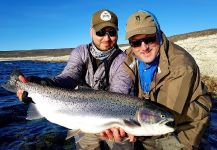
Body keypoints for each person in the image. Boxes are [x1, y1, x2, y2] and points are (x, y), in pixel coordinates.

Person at [16, 9, 134, 150]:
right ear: (91, 31)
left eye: (112, 32)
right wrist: (44, 84)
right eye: (101, 32)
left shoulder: (124, 60)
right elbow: (69, 77)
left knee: (124, 145)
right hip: (81, 118)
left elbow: (119, 93)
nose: (107, 38)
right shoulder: (80, 52)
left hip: (113, 121)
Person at [101, 10, 212, 149]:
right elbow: (120, 89)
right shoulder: (129, 57)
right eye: (135, 42)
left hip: (182, 128)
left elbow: (167, 115)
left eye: (149, 39)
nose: (144, 47)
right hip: (148, 121)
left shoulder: (181, 66)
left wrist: (128, 130)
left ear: (159, 34)